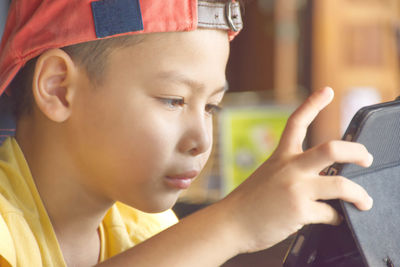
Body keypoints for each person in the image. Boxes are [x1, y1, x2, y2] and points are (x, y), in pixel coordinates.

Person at [0, 0, 374, 266]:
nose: (202, 141)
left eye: (211, 107)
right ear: (59, 88)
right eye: (174, 100)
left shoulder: (148, 227)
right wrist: (235, 222)